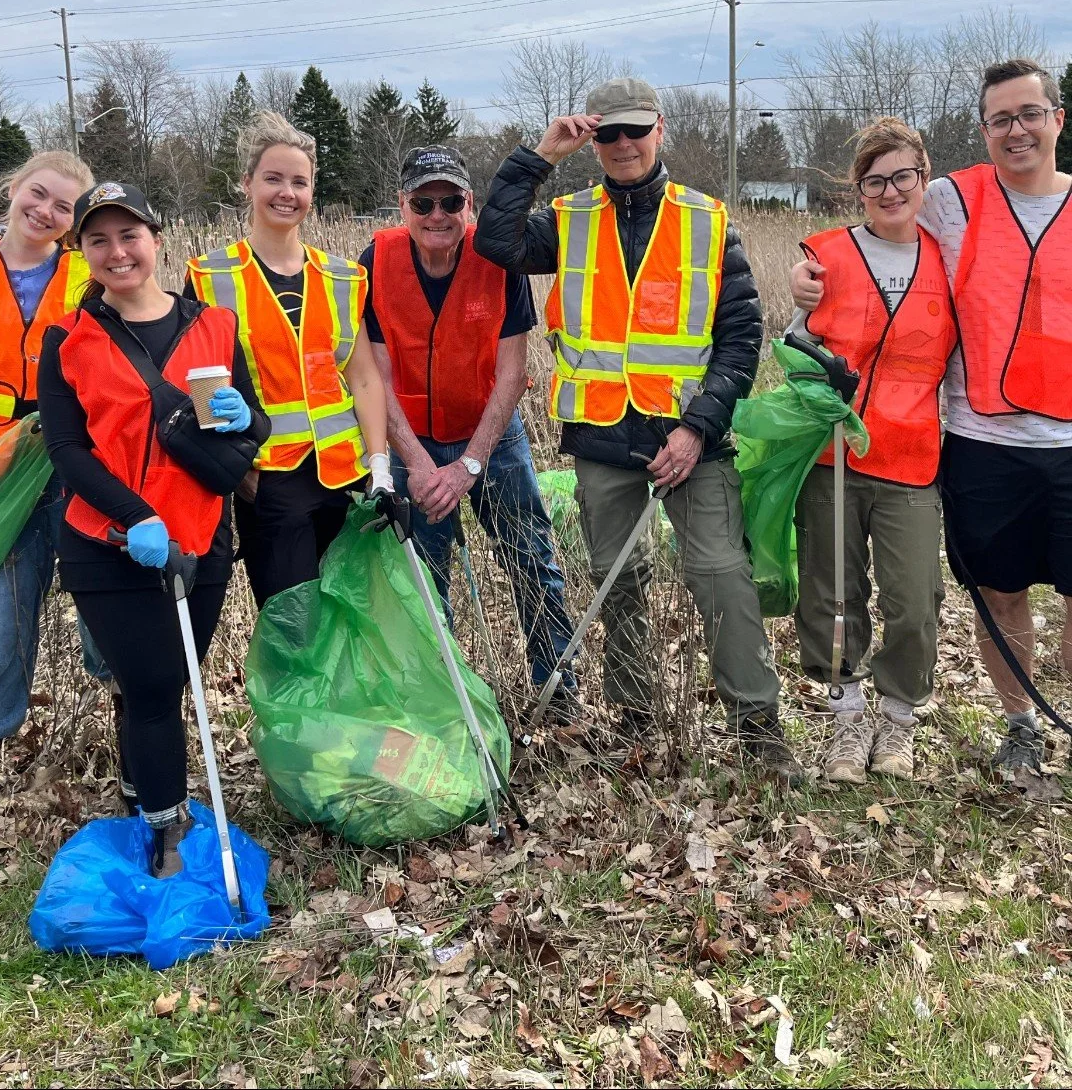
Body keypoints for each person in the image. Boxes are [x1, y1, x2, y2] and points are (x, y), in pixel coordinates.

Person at [474, 77, 798, 778]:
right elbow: (494, 241)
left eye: (635, 130)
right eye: (608, 133)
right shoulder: (568, 216)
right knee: (617, 579)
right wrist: (540, 155)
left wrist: (697, 430)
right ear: (594, 139)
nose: (622, 145)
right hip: (601, 437)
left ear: (661, 129)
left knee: (719, 574)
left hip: (692, 442)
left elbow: (741, 340)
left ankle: (757, 728)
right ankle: (635, 714)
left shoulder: (710, 221)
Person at [790, 58, 1072, 787]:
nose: (1017, 130)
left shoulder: (973, 227)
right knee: (949, 594)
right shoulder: (924, 215)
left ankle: (940, 715)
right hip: (921, 449)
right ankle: (892, 724)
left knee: (942, 604)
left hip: (980, 451)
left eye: (1029, 114)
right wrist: (799, 297)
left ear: (1056, 120)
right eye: (1001, 119)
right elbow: (809, 317)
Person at [38, 182, 270, 875]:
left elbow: (256, 426)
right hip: (110, 546)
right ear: (81, 252)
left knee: (174, 680)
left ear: (157, 239)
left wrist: (240, 417)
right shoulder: (68, 342)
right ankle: (168, 832)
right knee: (150, 688)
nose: (117, 251)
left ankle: (147, 795)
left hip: (201, 537)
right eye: (98, 240)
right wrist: (137, 518)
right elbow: (67, 450)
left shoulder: (216, 326)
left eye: (129, 235)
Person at [360, 144, 579, 718]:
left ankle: (558, 692)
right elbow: (374, 379)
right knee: (423, 582)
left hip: (492, 437)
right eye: (424, 201)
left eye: (451, 200)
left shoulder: (496, 258)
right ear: (402, 205)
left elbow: (513, 373)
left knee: (532, 558)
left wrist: (471, 464)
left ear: (470, 204)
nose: (438, 214)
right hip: (412, 441)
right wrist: (424, 466)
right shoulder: (374, 261)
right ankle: (445, 704)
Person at [788, 119, 955, 783]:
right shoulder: (824, 257)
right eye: (875, 181)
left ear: (923, 177)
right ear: (858, 188)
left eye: (902, 177)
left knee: (915, 601)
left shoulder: (950, 258)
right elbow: (795, 348)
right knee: (833, 598)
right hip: (832, 459)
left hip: (912, 458)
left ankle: (899, 719)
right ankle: (848, 717)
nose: (890, 192)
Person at [186, 112, 392, 608]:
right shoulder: (210, 278)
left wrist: (381, 465)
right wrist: (236, 469)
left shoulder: (342, 278)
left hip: (346, 478)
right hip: (268, 482)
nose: (287, 192)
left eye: (299, 182)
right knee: (292, 625)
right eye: (273, 178)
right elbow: (201, 380)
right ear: (246, 184)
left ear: (312, 191)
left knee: (349, 623)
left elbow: (362, 378)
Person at [0, 151, 96, 786]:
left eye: (64, 207)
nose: (46, 212)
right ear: (12, 187)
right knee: (1, 626)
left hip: (76, 460)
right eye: (39, 193)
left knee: (109, 613)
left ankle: (136, 759)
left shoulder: (88, 272)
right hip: (1, 473)